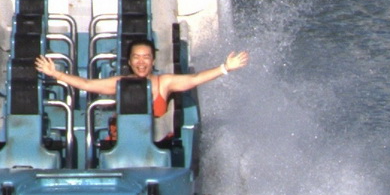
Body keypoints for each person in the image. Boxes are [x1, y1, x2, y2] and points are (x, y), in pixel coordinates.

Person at [34, 38, 248, 118]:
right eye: (136, 57)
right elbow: (87, 84)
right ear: (129, 62)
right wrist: (56, 74)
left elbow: (194, 79)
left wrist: (225, 68)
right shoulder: (120, 83)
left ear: (153, 61)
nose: (141, 62)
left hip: (155, 146)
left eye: (146, 57)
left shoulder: (164, 82)